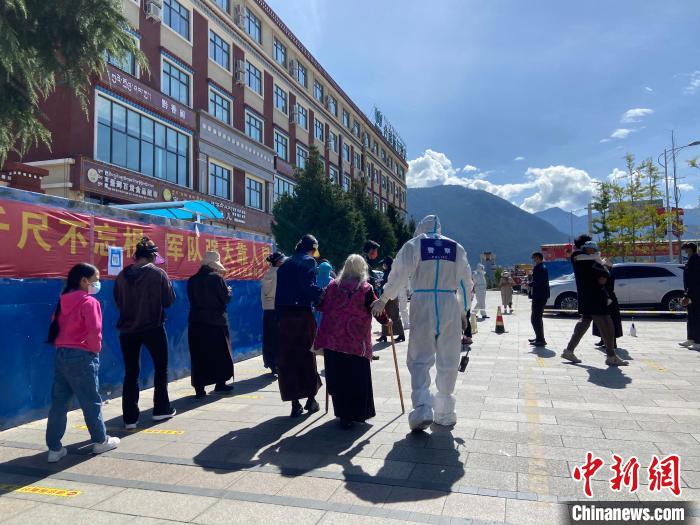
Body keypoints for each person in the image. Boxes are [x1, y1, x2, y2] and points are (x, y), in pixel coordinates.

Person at [372, 215, 472, 431]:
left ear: (420, 228)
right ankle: (445, 411)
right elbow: (466, 282)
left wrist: (384, 298)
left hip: (423, 301)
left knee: (419, 357)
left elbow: (399, 274)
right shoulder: (456, 247)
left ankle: (422, 408)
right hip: (449, 302)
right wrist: (464, 310)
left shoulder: (414, 244)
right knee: (449, 357)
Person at [45, 263, 120, 462]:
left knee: (59, 403)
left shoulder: (63, 301)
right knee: (91, 401)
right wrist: (95, 350)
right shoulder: (89, 302)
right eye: (96, 279)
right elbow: (95, 331)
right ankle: (100, 440)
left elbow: (55, 325)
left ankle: (54, 449)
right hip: (82, 355)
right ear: (84, 280)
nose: (98, 283)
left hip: (61, 354)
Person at [314, 254, 390, 428]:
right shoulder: (365, 288)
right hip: (355, 342)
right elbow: (376, 309)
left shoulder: (332, 286)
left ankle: (343, 415)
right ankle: (357, 414)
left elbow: (320, 305)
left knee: (338, 377)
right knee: (356, 378)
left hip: (333, 340)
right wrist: (387, 321)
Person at [114, 237, 177, 428]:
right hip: (153, 328)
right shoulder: (158, 274)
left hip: (127, 330)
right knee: (161, 368)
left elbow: (118, 301)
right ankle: (161, 409)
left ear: (136, 256)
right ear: (152, 256)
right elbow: (168, 301)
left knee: (131, 372)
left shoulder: (122, 275)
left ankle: (130, 418)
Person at [275, 234, 323, 417]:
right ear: (313, 248)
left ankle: (295, 403)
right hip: (302, 316)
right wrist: (323, 295)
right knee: (306, 356)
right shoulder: (309, 261)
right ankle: (311, 399)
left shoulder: (285, 264)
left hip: (285, 317)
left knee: (288, 359)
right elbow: (308, 287)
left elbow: (279, 293)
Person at [561, 238, 628, 366]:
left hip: (587, 296)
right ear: (584, 247)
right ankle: (611, 356)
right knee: (607, 323)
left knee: (584, 322)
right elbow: (603, 277)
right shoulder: (586, 259)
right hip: (595, 296)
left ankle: (569, 350)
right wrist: (606, 267)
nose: (593, 250)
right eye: (590, 247)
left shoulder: (580, 259)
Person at [187, 251, 234, 399]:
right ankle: (220, 383)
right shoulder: (217, 278)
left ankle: (199, 389)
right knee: (220, 353)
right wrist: (229, 292)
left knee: (199, 355)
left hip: (196, 321)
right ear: (214, 265)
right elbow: (225, 299)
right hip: (216, 321)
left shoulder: (192, 280)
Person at [261, 252, 285, 375]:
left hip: (268, 309)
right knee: (278, 337)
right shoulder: (281, 273)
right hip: (278, 308)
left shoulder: (268, 273)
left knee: (268, 336)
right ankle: (277, 363)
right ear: (279, 262)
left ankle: (270, 362)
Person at [592, 257, 622, 349]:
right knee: (602, 320)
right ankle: (603, 339)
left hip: (608, 298)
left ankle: (612, 342)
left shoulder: (608, 273)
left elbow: (605, 286)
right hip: (604, 297)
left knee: (610, 320)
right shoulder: (606, 272)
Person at [378, 257, 406, 343]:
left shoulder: (392, 272)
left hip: (392, 297)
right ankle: (384, 335)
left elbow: (391, 284)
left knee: (395, 315)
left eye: (384, 264)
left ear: (388, 264)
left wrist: (382, 283)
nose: (383, 265)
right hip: (385, 296)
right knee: (384, 315)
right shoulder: (387, 272)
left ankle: (401, 334)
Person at [680, 242, 700, 350]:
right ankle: (690, 339)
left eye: (686, 249)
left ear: (691, 249)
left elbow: (694, 279)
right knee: (691, 317)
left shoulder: (695, 260)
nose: (685, 251)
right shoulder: (691, 259)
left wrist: (687, 294)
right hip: (691, 292)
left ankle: (698, 342)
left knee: (696, 318)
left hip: (695, 293)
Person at [528, 252, 550, 347]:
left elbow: (538, 281)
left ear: (538, 258)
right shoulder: (540, 267)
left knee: (535, 318)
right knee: (536, 318)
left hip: (540, 296)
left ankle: (541, 339)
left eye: (534, 258)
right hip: (539, 295)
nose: (533, 260)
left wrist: (529, 284)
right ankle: (538, 337)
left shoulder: (540, 268)